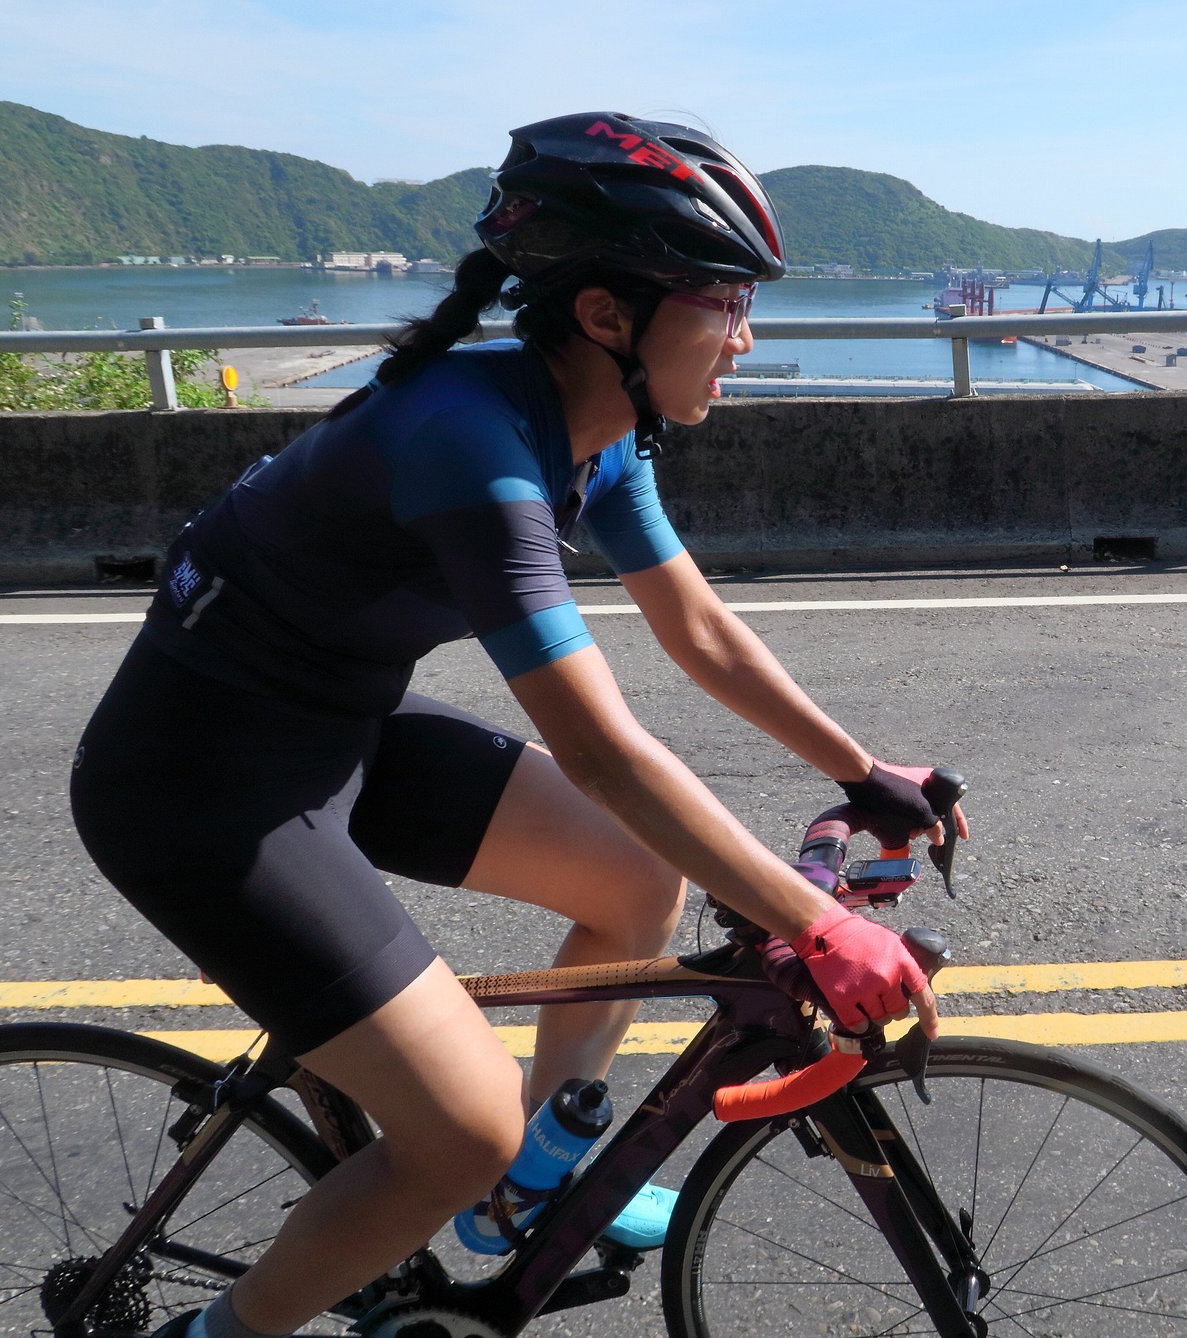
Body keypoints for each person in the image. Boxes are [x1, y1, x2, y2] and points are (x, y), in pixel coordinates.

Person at [68, 113, 968, 1338]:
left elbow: (701, 634)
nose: (745, 339)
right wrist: (813, 923)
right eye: (723, 304)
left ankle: (533, 1188)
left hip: (336, 725)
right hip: (196, 787)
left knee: (635, 875)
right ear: (606, 315)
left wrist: (863, 773)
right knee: (459, 1131)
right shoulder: (471, 445)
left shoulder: (600, 436)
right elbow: (599, 749)